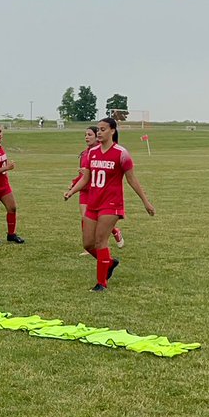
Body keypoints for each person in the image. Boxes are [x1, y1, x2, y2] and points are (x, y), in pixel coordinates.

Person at [64, 116, 155, 291]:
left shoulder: (121, 153)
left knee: (100, 241)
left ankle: (101, 284)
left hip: (111, 204)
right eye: (98, 129)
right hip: (93, 202)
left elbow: (132, 180)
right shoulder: (92, 152)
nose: (99, 132)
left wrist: (146, 202)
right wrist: (72, 191)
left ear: (112, 131)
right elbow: (86, 178)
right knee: (88, 244)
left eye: (103, 129)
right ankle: (110, 263)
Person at [71, 127, 124, 254]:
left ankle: (114, 231)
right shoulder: (84, 154)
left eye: (89, 135)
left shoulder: (105, 152)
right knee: (86, 218)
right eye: (85, 135)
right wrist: (73, 185)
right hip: (85, 190)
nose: (86, 137)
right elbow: (83, 174)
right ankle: (90, 247)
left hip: (98, 191)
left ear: (97, 137)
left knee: (99, 218)